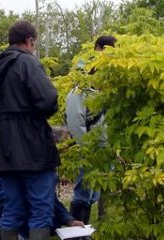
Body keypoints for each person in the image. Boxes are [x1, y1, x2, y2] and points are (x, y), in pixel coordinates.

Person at [0, 20, 60, 240]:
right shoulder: (28, 62)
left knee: (12, 208)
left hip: (3, 149)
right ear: (30, 40)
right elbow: (47, 100)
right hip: (32, 147)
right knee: (40, 209)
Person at [65, 36, 117, 227]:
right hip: (90, 147)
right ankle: (77, 233)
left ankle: (99, 228)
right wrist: (86, 147)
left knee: (98, 190)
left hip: (106, 146)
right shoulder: (82, 82)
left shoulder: (110, 82)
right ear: (97, 49)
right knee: (84, 191)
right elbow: (75, 119)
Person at [0, 176, 85, 240]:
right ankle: (19, 234)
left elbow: (48, 197)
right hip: (1, 205)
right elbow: (45, 198)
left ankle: (6, 234)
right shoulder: (37, 160)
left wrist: (69, 221)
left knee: (52, 222)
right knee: (44, 220)